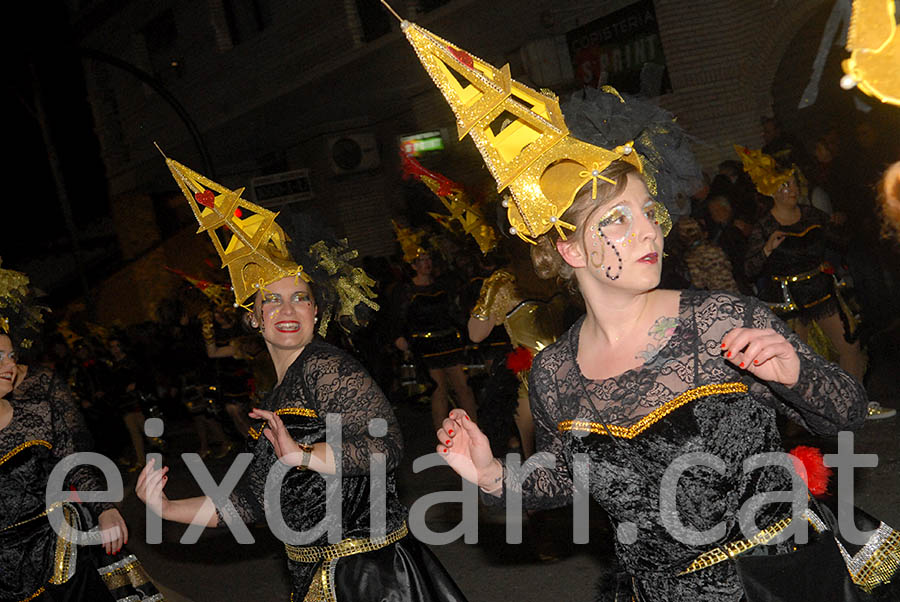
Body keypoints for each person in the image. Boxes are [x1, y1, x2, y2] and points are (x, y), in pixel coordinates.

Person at [389, 16, 898, 599]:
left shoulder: (719, 321)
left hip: (776, 582)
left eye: (648, 212)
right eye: (618, 220)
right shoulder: (555, 372)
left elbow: (849, 414)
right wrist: (489, 474)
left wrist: (798, 374)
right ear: (569, 247)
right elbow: (565, 478)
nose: (648, 233)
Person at [137, 154, 468, 602]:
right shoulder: (275, 391)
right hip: (314, 579)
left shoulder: (325, 367)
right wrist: (166, 508)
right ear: (253, 317)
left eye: (300, 298)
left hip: (369, 577)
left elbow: (385, 447)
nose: (287, 310)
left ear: (317, 310)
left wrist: (305, 454)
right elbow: (255, 500)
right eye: (272, 300)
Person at [0, 264, 163, 602]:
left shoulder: (37, 413)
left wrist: (103, 508)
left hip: (56, 549)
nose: (9, 366)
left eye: (11, 356)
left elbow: (73, 459)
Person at [738, 147, 889, 419]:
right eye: (786, 185)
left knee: (850, 348)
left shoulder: (810, 214)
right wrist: (767, 250)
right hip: (788, 301)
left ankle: (853, 406)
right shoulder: (764, 226)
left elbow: (842, 241)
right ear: (772, 191)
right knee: (799, 363)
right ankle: (813, 415)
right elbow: (748, 269)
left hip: (820, 291)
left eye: (795, 182)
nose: (793, 188)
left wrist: (843, 222)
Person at [391, 222, 478, 430]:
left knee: (463, 387)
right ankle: (444, 435)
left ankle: (475, 430)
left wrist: (467, 334)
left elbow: (454, 313)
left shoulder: (441, 285)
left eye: (428, 259)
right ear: (412, 265)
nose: (427, 263)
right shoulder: (406, 291)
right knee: (438, 391)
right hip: (426, 347)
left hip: (448, 341)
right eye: (421, 260)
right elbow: (397, 318)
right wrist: (399, 338)